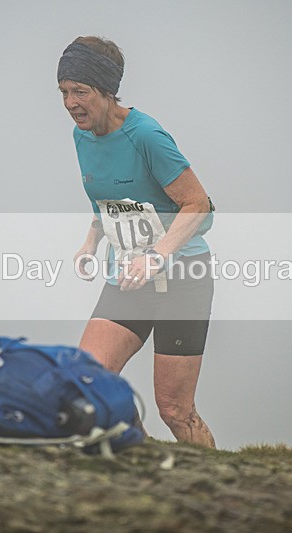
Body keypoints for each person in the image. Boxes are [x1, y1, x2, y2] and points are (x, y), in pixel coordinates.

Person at [57, 36, 216, 448]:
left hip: (182, 280)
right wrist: (89, 243)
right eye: (64, 92)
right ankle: (144, 464)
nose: (71, 103)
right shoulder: (82, 136)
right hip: (126, 278)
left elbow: (199, 204)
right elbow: (108, 202)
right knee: (87, 380)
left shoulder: (146, 134)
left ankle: (215, 483)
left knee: (175, 410)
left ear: (108, 91)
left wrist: (157, 256)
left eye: (80, 91)